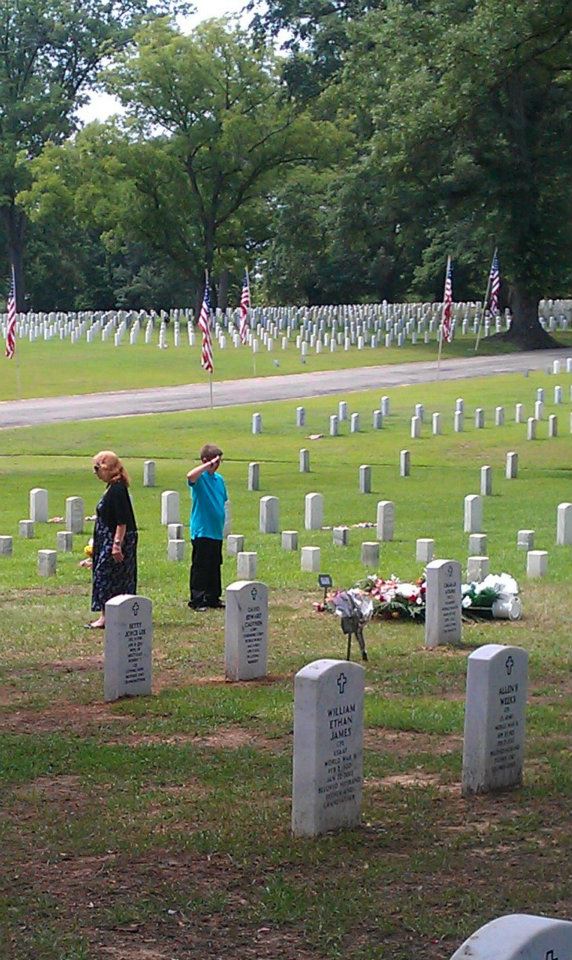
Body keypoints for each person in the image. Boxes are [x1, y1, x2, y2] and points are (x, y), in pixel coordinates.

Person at [87, 450, 138, 629]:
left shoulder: (117, 489)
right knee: (110, 576)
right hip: (107, 537)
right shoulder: (113, 487)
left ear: (108, 468)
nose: (95, 473)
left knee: (107, 576)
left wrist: (116, 545)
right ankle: (111, 614)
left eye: (97, 468)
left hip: (116, 538)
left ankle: (107, 616)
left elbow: (122, 521)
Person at [187, 443, 228, 611]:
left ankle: (213, 597)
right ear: (205, 461)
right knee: (201, 566)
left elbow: (222, 500)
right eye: (215, 462)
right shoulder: (200, 479)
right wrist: (207, 466)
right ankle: (197, 599)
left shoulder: (219, 480)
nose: (217, 465)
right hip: (202, 529)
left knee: (214, 565)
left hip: (216, 530)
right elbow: (190, 476)